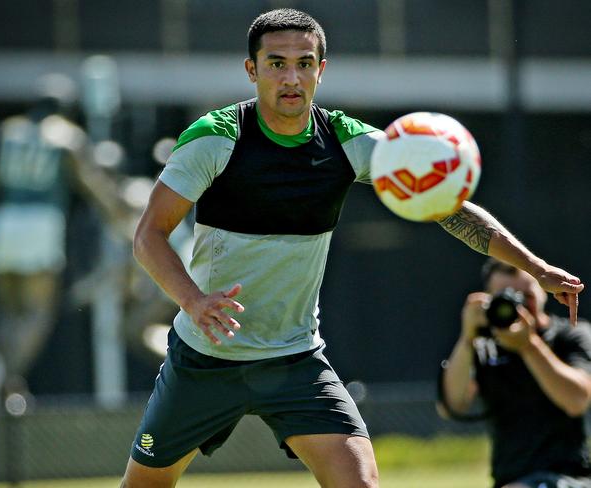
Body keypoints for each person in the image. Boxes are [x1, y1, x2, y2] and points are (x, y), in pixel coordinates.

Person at [121, 9, 584, 488]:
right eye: (276, 63)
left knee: (359, 484)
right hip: (205, 359)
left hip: (294, 359)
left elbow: (450, 209)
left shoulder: (347, 141)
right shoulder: (216, 137)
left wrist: (535, 267)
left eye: (304, 63)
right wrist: (194, 301)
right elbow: (148, 236)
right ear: (251, 69)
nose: (291, 77)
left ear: (321, 70)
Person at [0, 73, 124, 406]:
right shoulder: (66, 136)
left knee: (7, 311)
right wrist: (125, 223)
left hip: (4, 222)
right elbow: (94, 188)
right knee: (36, 313)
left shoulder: (6, 132)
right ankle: (3, 379)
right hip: (40, 223)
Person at [438, 258, 591, 488]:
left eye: (525, 298)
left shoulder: (569, 334)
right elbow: (452, 406)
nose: (517, 308)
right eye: (506, 298)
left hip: (568, 476)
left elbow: (577, 400)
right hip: (509, 478)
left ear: (542, 293)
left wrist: (529, 346)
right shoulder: (483, 346)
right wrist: (467, 339)